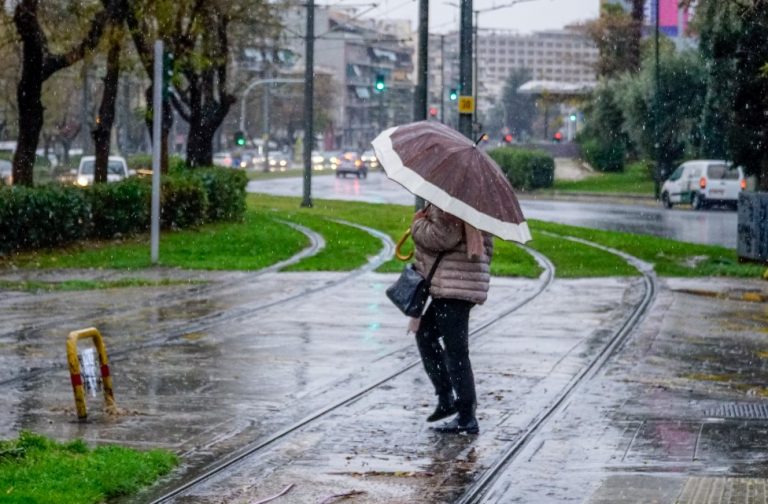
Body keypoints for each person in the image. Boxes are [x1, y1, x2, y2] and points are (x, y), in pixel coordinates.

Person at [410, 203, 493, 434]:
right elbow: (487, 247)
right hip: (460, 281)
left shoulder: (450, 203)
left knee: (456, 350)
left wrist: (417, 224)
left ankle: (466, 414)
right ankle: (447, 397)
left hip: (454, 285)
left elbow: (442, 238)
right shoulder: (475, 204)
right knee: (426, 334)